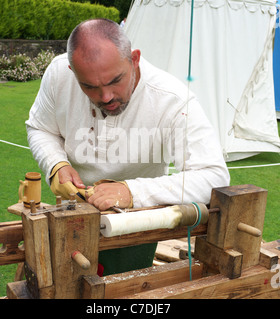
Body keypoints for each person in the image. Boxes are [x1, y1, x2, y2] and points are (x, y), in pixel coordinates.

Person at [25, 18, 230, 275]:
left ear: (134, 59)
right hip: (71, 212)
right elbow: (40, 127)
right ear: (71, 70)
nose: (106, 96)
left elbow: (214, 175)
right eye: (89, 86)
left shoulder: (173, 101)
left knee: (126, 289)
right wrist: (56, 163)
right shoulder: (58, 74)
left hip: (137, 223)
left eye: (115, 80)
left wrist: (131, 192)